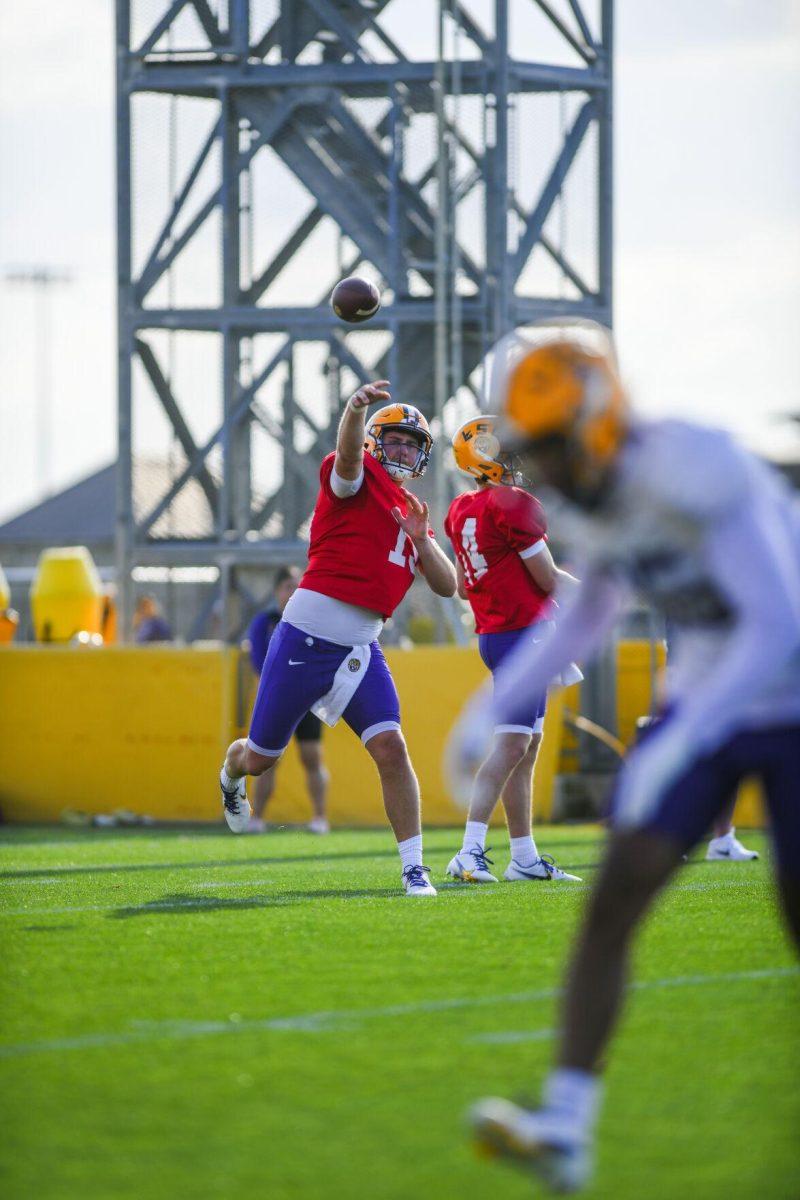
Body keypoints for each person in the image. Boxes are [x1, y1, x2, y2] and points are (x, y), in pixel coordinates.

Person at [450, 322, 800, 1191]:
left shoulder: (697, 467)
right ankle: (566, 1127)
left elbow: (778, 621)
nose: (556, 469)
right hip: (715, 684)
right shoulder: (596, 488)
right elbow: (588, 608)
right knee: (615, 895)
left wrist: (682, 736)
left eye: (557, 447)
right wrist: (485, 708)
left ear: (599, 420)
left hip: (791, 692)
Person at [219, 380, 457, 896]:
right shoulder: (357, 475)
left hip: (359, 650)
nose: (403, 451)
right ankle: (231, 772)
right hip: (305, 638)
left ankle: (415, 868)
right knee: (261, 759)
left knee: (392, 748)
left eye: (413, 445)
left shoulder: (411, 510)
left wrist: (421, 540)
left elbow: (447, 585)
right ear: (376, 442)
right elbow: (348, 456)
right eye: (395, 440)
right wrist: (353, 409)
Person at [443, 415, 581, 884]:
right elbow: (548, 579)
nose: (518, 464)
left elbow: (463, 588)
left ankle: (523, 856)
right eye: (509, 455)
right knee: (512, 745)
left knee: (526, 745)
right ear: (485, 458)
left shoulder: (461, 508)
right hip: (523, 635)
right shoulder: (514, 504)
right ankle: (469, 850)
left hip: (496, 634)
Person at [245, 566, 330, 834]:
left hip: (308, 702)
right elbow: (259, 661)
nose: (293, 593)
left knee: (312, 757)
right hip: (275, 699)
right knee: (264, 761)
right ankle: (256, 818)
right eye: (288, 587)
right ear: (277, 591)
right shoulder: (265, 622)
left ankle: (320, 818)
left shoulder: (315, 622)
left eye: (298, 586)